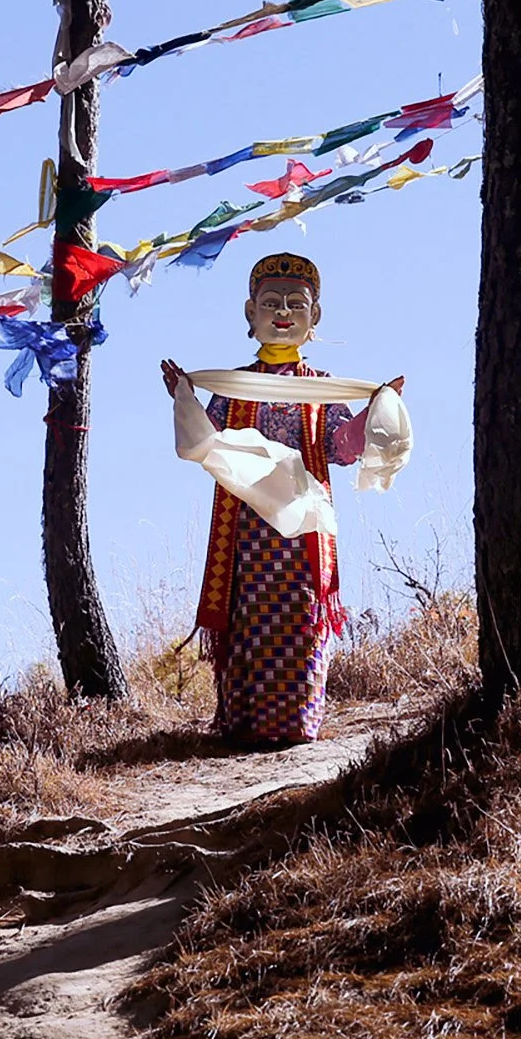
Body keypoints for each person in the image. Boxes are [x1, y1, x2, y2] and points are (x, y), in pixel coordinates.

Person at [160, 253, 404, 746]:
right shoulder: (232, 388)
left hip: (305, 529)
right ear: (250, 313)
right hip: (245, 530)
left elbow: (339, 449)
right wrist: (186, 399)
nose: (283, 312)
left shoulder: (323, 389)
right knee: (247, 619)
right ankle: (242, 723)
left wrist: (374, 413)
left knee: (301, 618)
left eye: (297, 304)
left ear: (316, 317)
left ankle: (297, 722)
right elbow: (208, 444)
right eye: (271, 303)